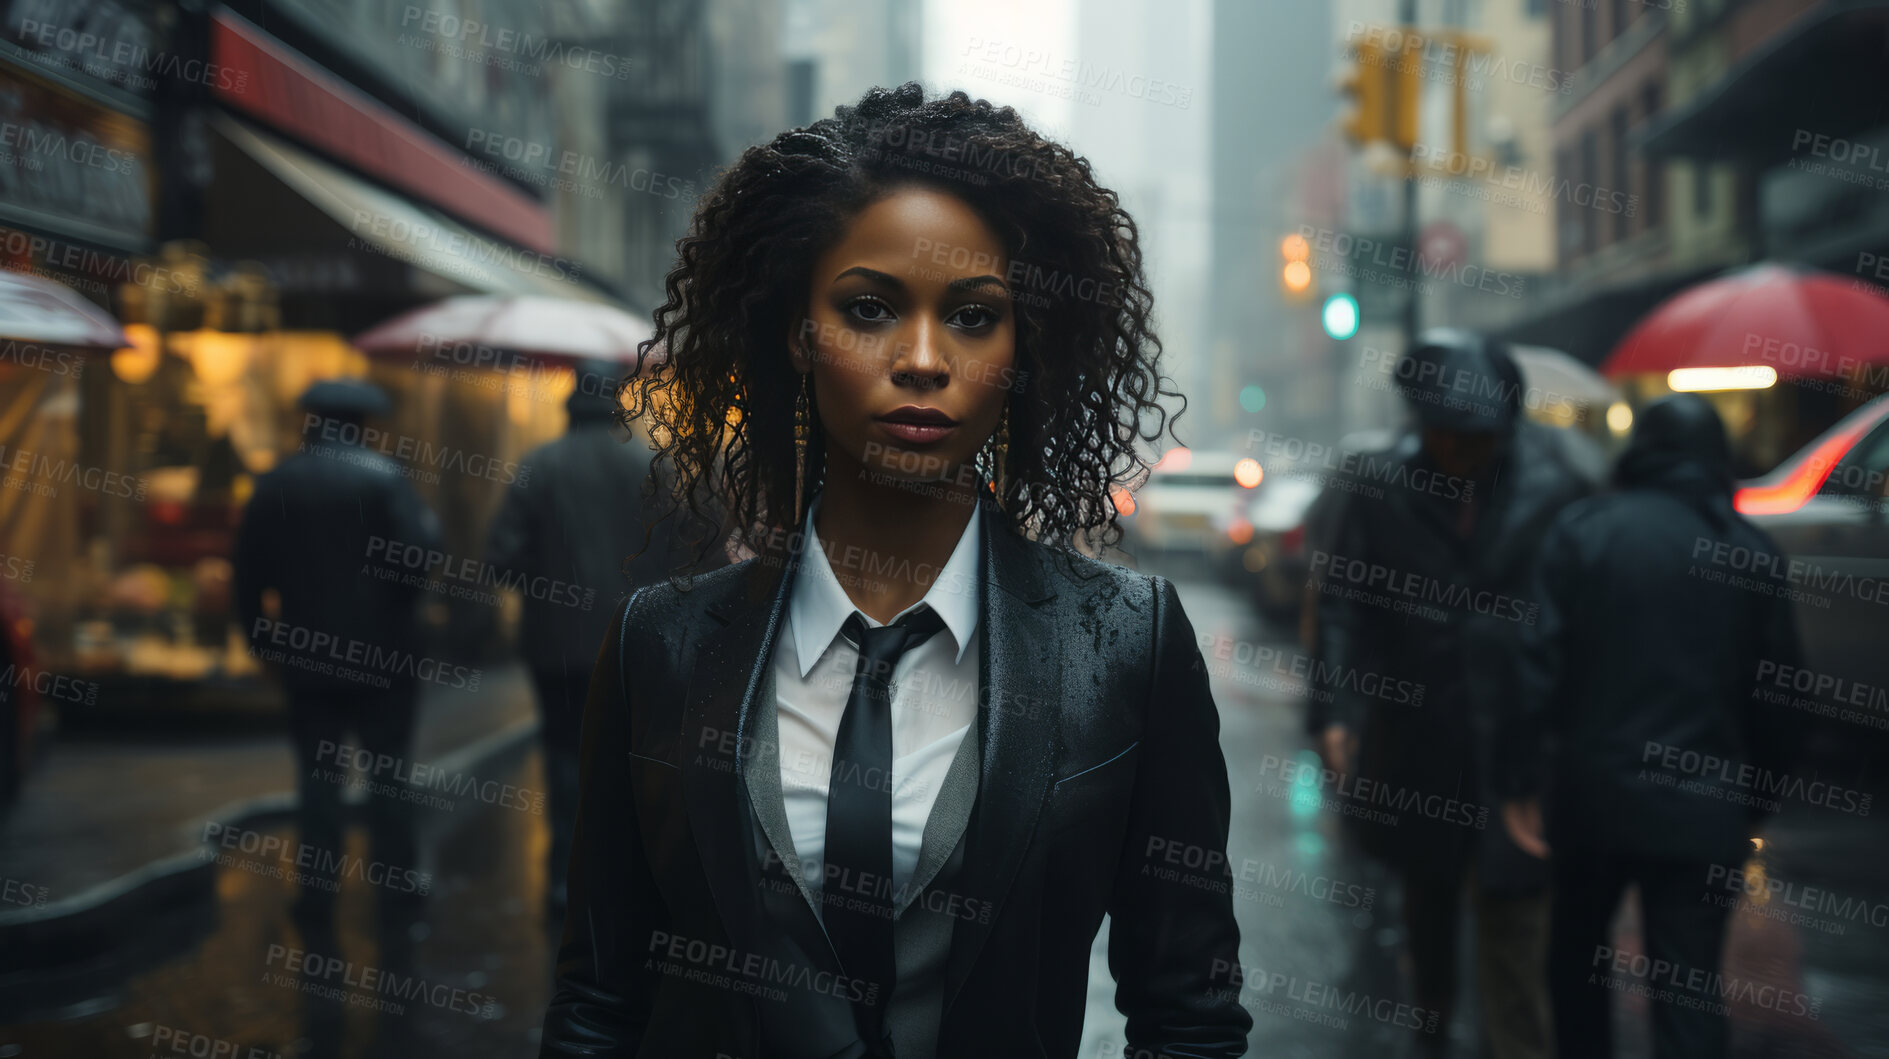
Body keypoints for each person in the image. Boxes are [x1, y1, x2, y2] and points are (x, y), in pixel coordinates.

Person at [538, 83, 1251, 1058]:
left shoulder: (1130, 644)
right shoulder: (661, 646)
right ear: (799, 332)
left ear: (1020, 348)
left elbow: (1187, 1014)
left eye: (971, 316)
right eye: (869, 308)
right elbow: (598, 1001)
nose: (921, 358)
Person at [1309, 330, 1592, 1059]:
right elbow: (1342, 603)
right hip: (1419, 735)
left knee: (1514, 922)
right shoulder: (1378, 486)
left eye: (1474, 437)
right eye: (1443, 434)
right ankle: (1430, 1029)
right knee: (1427, 901)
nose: (1457, 452)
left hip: (1518, 747)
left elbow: (1579, 619)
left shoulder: (1557, 483)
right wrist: (1336, 710)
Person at [1497, 394, 1805, 1059]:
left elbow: (1535, 669)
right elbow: (1782, 700)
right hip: (1703, 812)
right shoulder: (1749, 552)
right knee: (1689, 988)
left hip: (1592, 802)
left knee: (1577, 964)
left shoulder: (1583, 531)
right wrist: (1752, 802)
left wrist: (1520, 780)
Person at [234, 380, 443, 943]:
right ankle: (396, 887)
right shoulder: (385, 479)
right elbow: (418, 561)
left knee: (318, 778)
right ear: (362, 424)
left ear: (311, 422)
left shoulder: (276, 482)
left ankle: (317, 894)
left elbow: (248, 572)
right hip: (386, 660)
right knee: (389, 774)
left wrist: (263, 643)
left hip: (307, 658)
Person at [483, 359, 695, 913]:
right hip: (640, 644)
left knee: (564, 753)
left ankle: (565, 878)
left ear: (569, 406)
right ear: (618, 407)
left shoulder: (539, 466)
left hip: (556, 644)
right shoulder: (652, 466)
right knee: (634, 753)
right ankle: (632, 879)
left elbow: (501, 559)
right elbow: (686, 556)